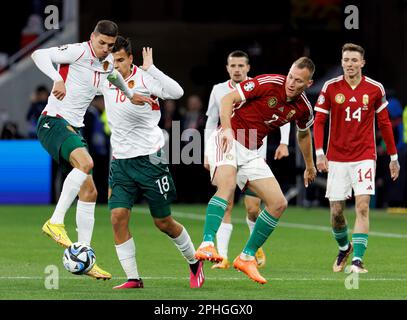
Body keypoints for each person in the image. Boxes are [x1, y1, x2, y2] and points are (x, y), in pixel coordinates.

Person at [31, 20, 153, 280]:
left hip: (73, 129)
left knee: (90, 191)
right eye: (101, 43)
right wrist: (56, 79)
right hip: (53, 121)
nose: (105, 49)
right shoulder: (77, 51)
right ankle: (55, 221)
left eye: (110, 45)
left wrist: (131, 96)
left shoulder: (105, 62)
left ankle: (84, 256)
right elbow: (38, 53)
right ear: (92, 37)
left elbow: (114, 76)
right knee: (86, 164)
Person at [195, 57, 317, 284]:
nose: (291, 83)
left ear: (308, 84)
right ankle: (207, 243)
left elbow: (303, 134)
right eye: (290, 76)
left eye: (298, 81)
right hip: (226, 138)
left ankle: (246, 257)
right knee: (227, 185)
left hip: (251, 150)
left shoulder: (303, 107)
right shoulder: (269, 83)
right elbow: (227, 99)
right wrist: (228, 131)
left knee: (278, 203)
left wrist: (310, 165)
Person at [101, 36, 205, 289]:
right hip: (121, 161)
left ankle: (194, 262)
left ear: (131, 59)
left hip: (151, 159)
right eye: (112, 61)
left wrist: (152, 69)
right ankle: (133, 278)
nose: (116, 65)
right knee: (117, 216)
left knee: (163, 222)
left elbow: (177, 92)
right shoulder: (105, 77)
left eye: (121, 60)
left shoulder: (146, 79)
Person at [313, 43, 400, 273]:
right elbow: (319, 122)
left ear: (362, 62)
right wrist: (320, 153)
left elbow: (384, 124)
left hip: (364, 155)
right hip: (337, 157)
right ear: (341, 62)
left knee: (362, 207)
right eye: (346, 60)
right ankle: (344, 247)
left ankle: (357, 261)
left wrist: (393, 156)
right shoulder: (330, 88)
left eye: (354, 60)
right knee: (336, 213)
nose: (349, 64)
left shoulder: (374, 88)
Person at [204, 50, 291, 269]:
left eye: (241, 66)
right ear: (227, 68)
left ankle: (253, 247)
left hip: (254, 152)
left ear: (248, 68)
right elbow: (211, 121)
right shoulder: (218, 90)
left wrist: (284, 142)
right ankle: (222, 255)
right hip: (226, 146)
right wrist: (206, 150)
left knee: (253, 207)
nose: (237, 69)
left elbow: (285, 114)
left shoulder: (260, 86)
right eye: (233, 66)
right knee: (227, 199)